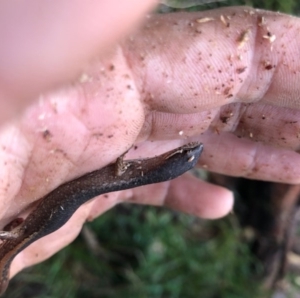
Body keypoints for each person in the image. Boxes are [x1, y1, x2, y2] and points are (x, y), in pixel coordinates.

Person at [0, 1, 299, 279]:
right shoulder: (127, 172)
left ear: (168, 160)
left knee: (33, 228)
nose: (188, 147)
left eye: (184, 152)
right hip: (28, 222)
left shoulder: (127, 172)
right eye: (186, 151)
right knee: (33, 228)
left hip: (28, 223)